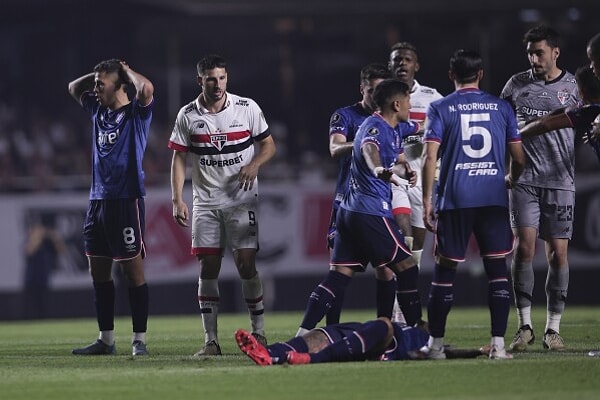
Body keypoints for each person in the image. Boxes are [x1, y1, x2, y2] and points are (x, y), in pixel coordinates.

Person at [420, 49, 526, 360]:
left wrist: (427, 200)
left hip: (455, 198)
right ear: (480, 74)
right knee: (497, 271)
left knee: (445, 271)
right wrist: (508, 178)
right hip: (492, 198)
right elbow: (519, 158)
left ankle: (436, 346)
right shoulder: (501, 107)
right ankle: (498, 345)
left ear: (451, 75)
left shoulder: (440, 107)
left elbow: (429, 157)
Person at [169, 54, 276, 356]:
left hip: (241, 201)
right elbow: (178, 157)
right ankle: (211, 341)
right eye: (211, 79)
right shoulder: (188, 115)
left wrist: (255, 164)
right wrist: (177, 197)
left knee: (246, 263)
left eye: (222, 78)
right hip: (205, 203)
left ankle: (259, 333)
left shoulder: (247, 108)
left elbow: (269, 145)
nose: (217, 85)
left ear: (227, 78)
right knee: (208, 267)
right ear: (200, 80)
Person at [296, 79, 421, 337]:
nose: (411, 105)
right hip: (370, 211)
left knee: (338, 275)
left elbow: (416, 132)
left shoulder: (396, 125)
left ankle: (301, 335)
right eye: (408, 100)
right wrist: (377, 168)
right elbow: (368, 148)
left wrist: (404, 169)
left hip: (350, 212)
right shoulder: (374, 127)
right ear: (396, 104)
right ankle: (415, 335)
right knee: (408, 268)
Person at [500, 25, 580, 352]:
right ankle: (524, 326)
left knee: (558, 254)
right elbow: (501, 125)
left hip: (561, 181)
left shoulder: (574, 86)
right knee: (523, 248)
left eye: (540, 52)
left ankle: (553, 330)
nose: (534, 58)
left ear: (555, 52)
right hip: (524, 180)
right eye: (530, 52)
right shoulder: (516, 86)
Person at [68, 59, 154, 356]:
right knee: (98, 273)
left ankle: (139, 340)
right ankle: (106, 340)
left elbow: (146, 88)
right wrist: (96, 74)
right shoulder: (97, 110)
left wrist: (125, 69)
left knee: (133, 273)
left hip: (126, 200)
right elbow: (72, 88)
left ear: (119, 85)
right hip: (97, 201)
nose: (95, 89)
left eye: (101, 84)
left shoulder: (136, 114)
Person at [324, 63, 402, 326]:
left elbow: (404, 149)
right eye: (371, 90)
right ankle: (330, 329)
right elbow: (334, 149)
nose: (376, 96)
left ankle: (385, 327)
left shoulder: (390, 122)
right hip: (346, 200)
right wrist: (363, 141)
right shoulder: (345, 116)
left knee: (385, 267)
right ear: (362, 89)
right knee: (339, 271)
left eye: (382, 90)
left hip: (377, 201)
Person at [387, 42, 444, 325]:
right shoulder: (382, 96)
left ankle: (402, 307)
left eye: (407, 59)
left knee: (415, 246)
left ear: (416, 65)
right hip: (393, 180)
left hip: (422, 181)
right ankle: (393, 311)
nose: (402, 64)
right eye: (397, 60)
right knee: (400, 241)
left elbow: (449, 130)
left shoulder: (432, 98)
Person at [235, 317, 486, 366]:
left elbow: (448, 352)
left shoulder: (430, 342)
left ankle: (310, 359)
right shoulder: (413, 325)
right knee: (318, 335)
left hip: (386, 342)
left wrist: (476, 351)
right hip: (357, 332)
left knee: (384, 325)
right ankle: (268, 354)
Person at [520, 65, 600, 161]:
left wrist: (515, 135)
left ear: (582, 91)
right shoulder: (585, 108)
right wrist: (525, 124)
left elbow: (545, 125)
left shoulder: (589, 111)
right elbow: (564, 111)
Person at [22, 222, 66, 319]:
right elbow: (29, 251)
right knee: (30, 308)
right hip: (31, 280)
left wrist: (55, 237)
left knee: (44, 307)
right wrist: (37, 236)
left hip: (44, 280)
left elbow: (62, 251)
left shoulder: (48, 245)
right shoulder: (30, 242)